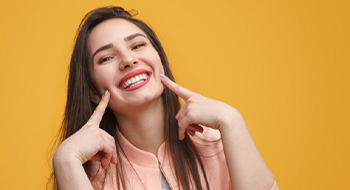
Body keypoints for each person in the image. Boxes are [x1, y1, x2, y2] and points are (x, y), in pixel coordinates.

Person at [50, 6, 279, 190]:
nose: (128, 60)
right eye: (107, 58)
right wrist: (65, 160)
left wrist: (232, 120)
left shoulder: (220, 142)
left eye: (138, 45)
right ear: (92, 90)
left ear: (159, 60)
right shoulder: (86, 176)